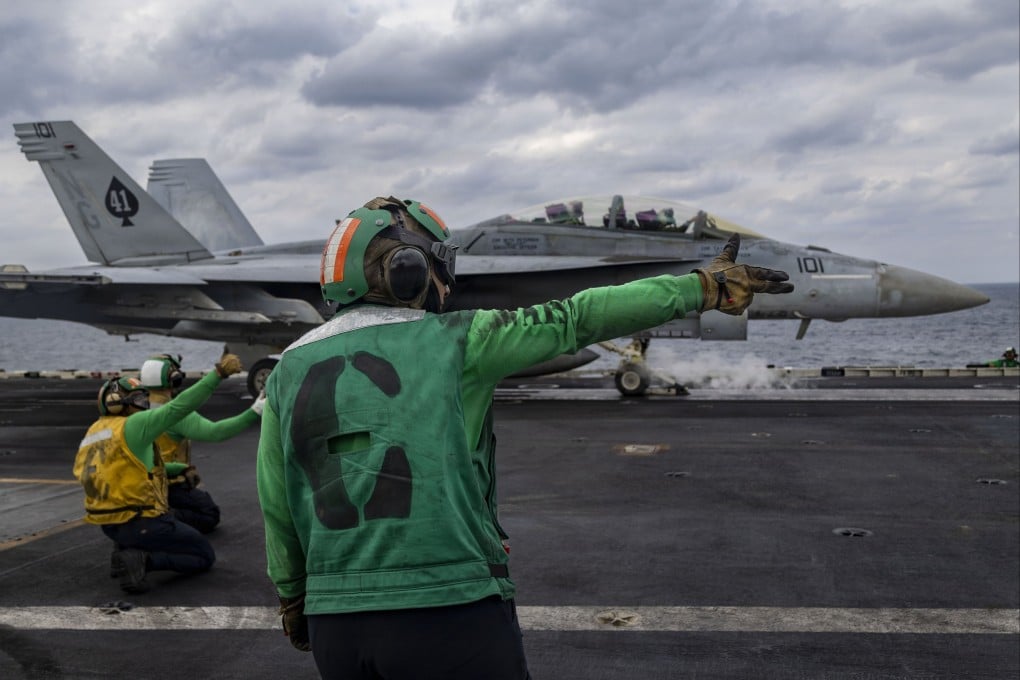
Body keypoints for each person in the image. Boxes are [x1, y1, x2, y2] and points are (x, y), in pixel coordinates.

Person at [255, 196, 794, 679]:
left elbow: (276, 502)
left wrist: (294, 597)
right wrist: (702, 285)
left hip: (338, 630)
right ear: (408, 270)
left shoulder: (287, 369)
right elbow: (579, 318)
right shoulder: (459, 340)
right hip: (450, 611)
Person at [73, 353, 243, 594]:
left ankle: (124, 550)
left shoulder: (96, 431)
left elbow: (131, 468)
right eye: (137, 401)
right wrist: (218, 375)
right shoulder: (135, 424)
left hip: (109, 524)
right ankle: (143, 560)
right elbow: (180, 407)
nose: (143, 405)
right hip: (142, 521)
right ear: (117, 403)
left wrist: (178, 468)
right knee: (203, 555)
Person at [138, 353, 266, 533]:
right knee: (209, 514)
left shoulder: (135, 409)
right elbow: (216, 432)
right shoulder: (175, 415)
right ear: (173, 379)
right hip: (169, 484)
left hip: (139, 484)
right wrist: (255, 411)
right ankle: (160, 518)